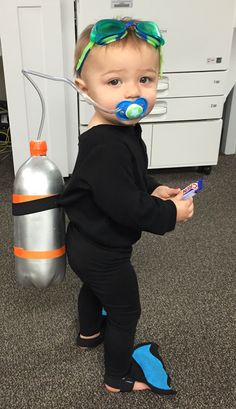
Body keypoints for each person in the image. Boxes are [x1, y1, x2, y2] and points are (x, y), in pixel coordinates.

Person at [59, 17, 194, 393]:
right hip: (104, 251)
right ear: (84, 87)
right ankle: (117, 378)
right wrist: (171, 213)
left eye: (145, 80)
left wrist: (154, 188)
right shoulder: (106, 147)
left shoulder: (120, 129)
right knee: (125, 312)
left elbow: (128, 180)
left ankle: (89, 334)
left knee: (92, 287)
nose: (132, 93)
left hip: (88, 243)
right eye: (115, 81)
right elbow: (127, 208)